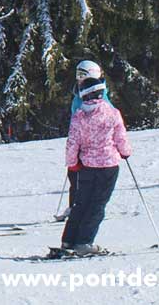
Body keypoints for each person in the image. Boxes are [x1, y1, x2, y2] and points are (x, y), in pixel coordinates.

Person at [61, 77, 132, 255]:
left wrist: (72, 163)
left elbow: (72, 143)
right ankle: (84, 242)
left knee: (81, 202)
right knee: (97, 205)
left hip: (87, 166)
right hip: (108, 166)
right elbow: (120, 137)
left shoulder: (78, 116)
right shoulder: (112, 112)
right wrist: (125, 152)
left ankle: (69, 240)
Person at [57, 60, 113, 221]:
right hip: (78, 141)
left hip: (91, 145)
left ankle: (84, 209)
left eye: (82, 75)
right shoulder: (79, 93)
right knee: (74, 175)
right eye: (77, 74)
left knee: (83, 178)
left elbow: (109, 118)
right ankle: (73, 207)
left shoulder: (98, 95)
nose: (79, 78)